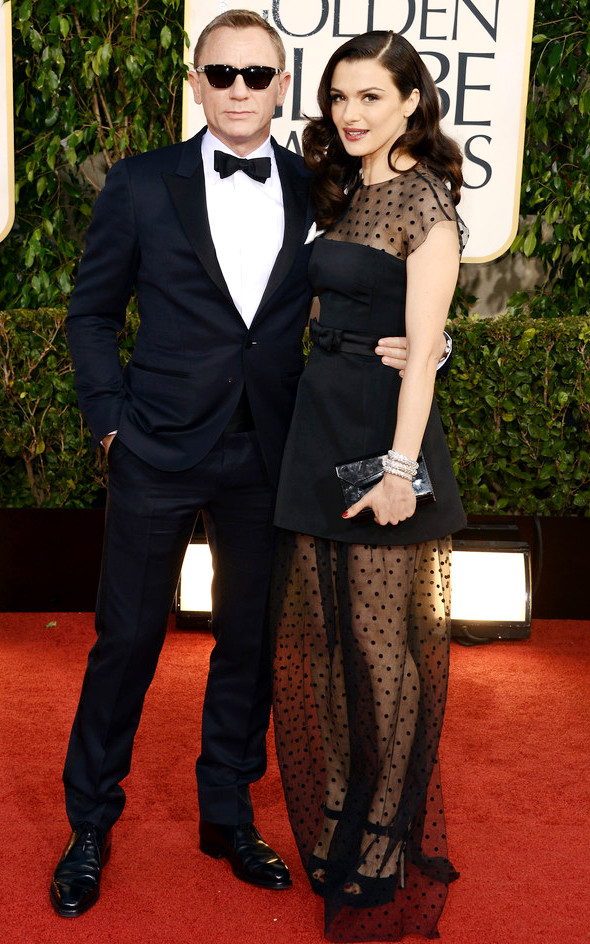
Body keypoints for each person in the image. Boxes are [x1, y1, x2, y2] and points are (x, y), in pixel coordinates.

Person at [49, 10, 418, 919]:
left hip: (270, 451)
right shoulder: (139, 185)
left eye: (259, 74)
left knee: (248, 646)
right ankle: (90, 822)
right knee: (127, 641)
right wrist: (110, 427)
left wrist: (425, 352)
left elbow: (384, 290)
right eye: (223, 74)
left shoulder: (316, 189)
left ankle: (227, 815)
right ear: (196, 80)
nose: (241, 90)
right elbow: (91, 315)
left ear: (284, 85)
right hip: (156, 450)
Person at [270, 30, 467, 942]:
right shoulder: (343, 191)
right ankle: (342, 816)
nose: (350, 114)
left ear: (412, 103)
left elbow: (423, 352)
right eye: (339, 97)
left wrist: (399, 473)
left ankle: (384, 840)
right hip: (321, 425)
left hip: (385, 439)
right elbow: (337, 307)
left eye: (371, 98)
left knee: (384, 652)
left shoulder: (427, 201)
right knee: (316, 643)